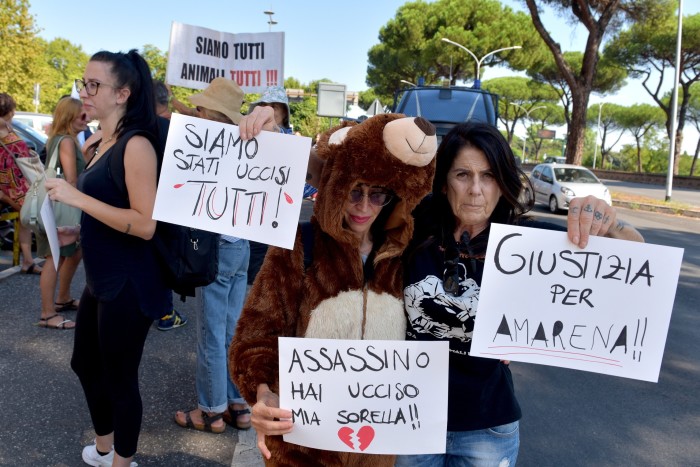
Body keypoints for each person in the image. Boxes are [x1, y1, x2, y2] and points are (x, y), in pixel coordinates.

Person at [396, 122, 644, 467]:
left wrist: (608, 222)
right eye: (463, 175)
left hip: (486, 425)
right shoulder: (412, 225)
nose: (476, 190)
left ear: (504, 183)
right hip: (408, 416)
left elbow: (635, 259)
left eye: (489, 176)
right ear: (443, 181)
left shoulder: (527, 242)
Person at [229, 113, 437, 466]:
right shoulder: (300, 245)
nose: (364, 206)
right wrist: (262, 394)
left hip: (377, 445)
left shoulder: (404, 255)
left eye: (378, 195)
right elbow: (255, 335)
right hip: (301, 446)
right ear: (336, 186)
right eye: (355, 191)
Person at [45, 49, 169, 467]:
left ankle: (122, 462)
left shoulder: (136, 145)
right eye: (84, 83)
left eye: (93, 85)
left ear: (123, 93)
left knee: (120, 378)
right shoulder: (103, 140)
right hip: (102, 278)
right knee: (85, 363)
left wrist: (77, 198)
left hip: (131, 283)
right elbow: (109, 207)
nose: (85, 92)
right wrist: (79, 227)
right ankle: (103, 448)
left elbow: (145, 223)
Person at [173, 77, 265, 434]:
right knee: (231, 330)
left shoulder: (209, 146)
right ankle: (238, 404)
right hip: (241, 246)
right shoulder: (250, 142)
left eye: (200, 109)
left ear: (212, 115)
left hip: (218, 248)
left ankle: (211, 411)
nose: (195, 113)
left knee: (212, 333)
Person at [36, 97, 88, 330]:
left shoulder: (62, 139)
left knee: (71, 253)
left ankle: (62, 298)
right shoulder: (66, 141)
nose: (87, 118)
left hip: (56, 204)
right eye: (83, 114)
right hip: (62, 207)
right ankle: (47, 314)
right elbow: (71, 179)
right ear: (70, 117)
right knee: (54, 259)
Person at [0, 93, 43, 275]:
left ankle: (27, 260)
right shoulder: (7, 128)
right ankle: (28, 259)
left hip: (11, 186)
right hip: (7, 188)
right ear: (10, 110)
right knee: (28, 210)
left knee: (26, 211)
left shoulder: (8, 128)